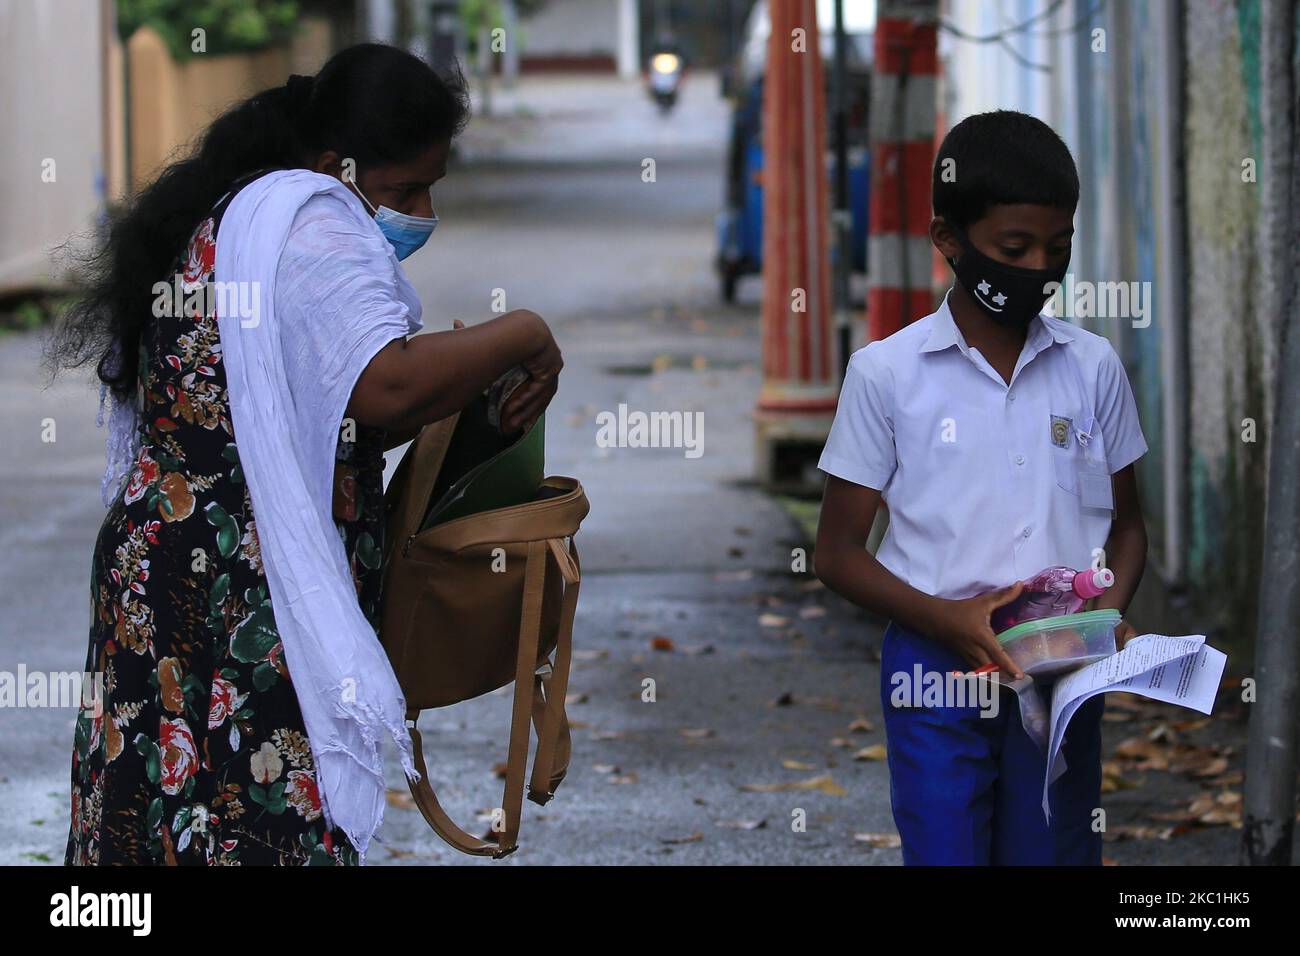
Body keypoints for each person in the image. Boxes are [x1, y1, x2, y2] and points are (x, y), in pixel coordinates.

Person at [50, 43, 563, 865]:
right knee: (261, 823)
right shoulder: (317, 214)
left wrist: (469, 393)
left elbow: (335, 419)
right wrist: (525, 332)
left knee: (163, 822)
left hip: (170, 566)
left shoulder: (233, 214)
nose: (424, 210)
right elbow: (383, 388)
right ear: (338, 163)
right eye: (405, 190)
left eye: (433, 185)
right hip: (235, 585)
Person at [813, 110, 1149, 865]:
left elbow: (1129, 528)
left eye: (1057, 249)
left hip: (1061, 665)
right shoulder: (886, 376)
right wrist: (949, 618)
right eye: (1014, 248)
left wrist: (1107, 617)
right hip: (934, 670)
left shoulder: (1092, 368)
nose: (1038, 267)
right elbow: (836, 553)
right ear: (948, 241)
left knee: (1052, 850)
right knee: (946, 850)